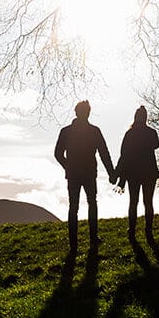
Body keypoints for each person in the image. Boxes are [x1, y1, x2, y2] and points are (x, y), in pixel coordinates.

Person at [54, 99, 116, 252]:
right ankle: (93, 238)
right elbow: (104, 153)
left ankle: (73, 243)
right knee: (91, 203)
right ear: (88, 113)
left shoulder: (66, 131)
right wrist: (111, 173)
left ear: (76, 112)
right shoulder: (94, 131)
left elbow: (58, 154)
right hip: (88, 172)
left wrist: (68, 166)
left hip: (75, 173)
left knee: (74, 206)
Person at [116, 104, 159, 242]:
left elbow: (124, 155)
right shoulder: (151, 133)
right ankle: (148, 230)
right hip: (149, 172)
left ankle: (132, 230)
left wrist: (119, 176)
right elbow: (156, 145)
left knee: (133, 202)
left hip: (133, 173)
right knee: (148, 202)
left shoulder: (130, 134)